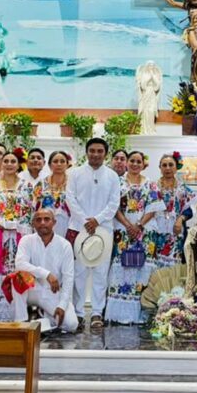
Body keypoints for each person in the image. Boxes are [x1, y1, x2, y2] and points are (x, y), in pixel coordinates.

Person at [68, 138, 121, 330]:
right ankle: (80, 313)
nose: (96, 154)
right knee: (80, 271)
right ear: (86, 152)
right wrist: (85, 220)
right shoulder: (74, 173)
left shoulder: (113, 176)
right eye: (92, 150)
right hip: (79, 227)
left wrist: (97, 220)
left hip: (103, 228)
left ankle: (97, 312)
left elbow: (114, 202)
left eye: (100, 151)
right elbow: (70, 198)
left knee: (100, 271)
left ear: (105, 154)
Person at [0, 149, 36, 322]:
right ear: (1, 163)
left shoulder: (27, 186)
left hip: (20, 232)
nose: (9, 164)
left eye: (13, 161)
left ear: (19, 165)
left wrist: (21, 226)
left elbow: (32, 208)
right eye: (6, 161)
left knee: (18, 267)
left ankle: (17, 313)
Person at [106, 150, 163, 325]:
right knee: (122, 269)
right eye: (132, 161)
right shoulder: (117, 182)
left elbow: (153, 209)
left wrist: (138, 225)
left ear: (143, 164)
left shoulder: (151, 184)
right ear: (127, 162)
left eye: (139, 161)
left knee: (141, 271)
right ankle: (119, 314)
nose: (135, 164)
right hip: (122, 232)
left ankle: (142, 313)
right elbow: (113, 207)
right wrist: (128, 225)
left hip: (145, 233)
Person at [8, 208, 78, 334]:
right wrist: (46, 274)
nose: (42, 223)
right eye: (38, 220)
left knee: (71, 324)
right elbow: (19, 264)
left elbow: (68, 279)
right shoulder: (27, 240)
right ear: (33, 223)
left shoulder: (64, 245)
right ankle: (22, 322)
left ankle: (43, 316)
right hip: (32, 290)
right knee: (18, 277)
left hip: (52, 292)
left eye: (47, 219)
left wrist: (62, 306)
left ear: (54, 222)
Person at [35, 151, 74, 240]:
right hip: (45, 224)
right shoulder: (41, 184)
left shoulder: (73, 183)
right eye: (55, 161)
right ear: (49, 165)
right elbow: (34, 206)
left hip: (68, 224)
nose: (59, 164)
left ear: (67, 164)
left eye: (62, 161)